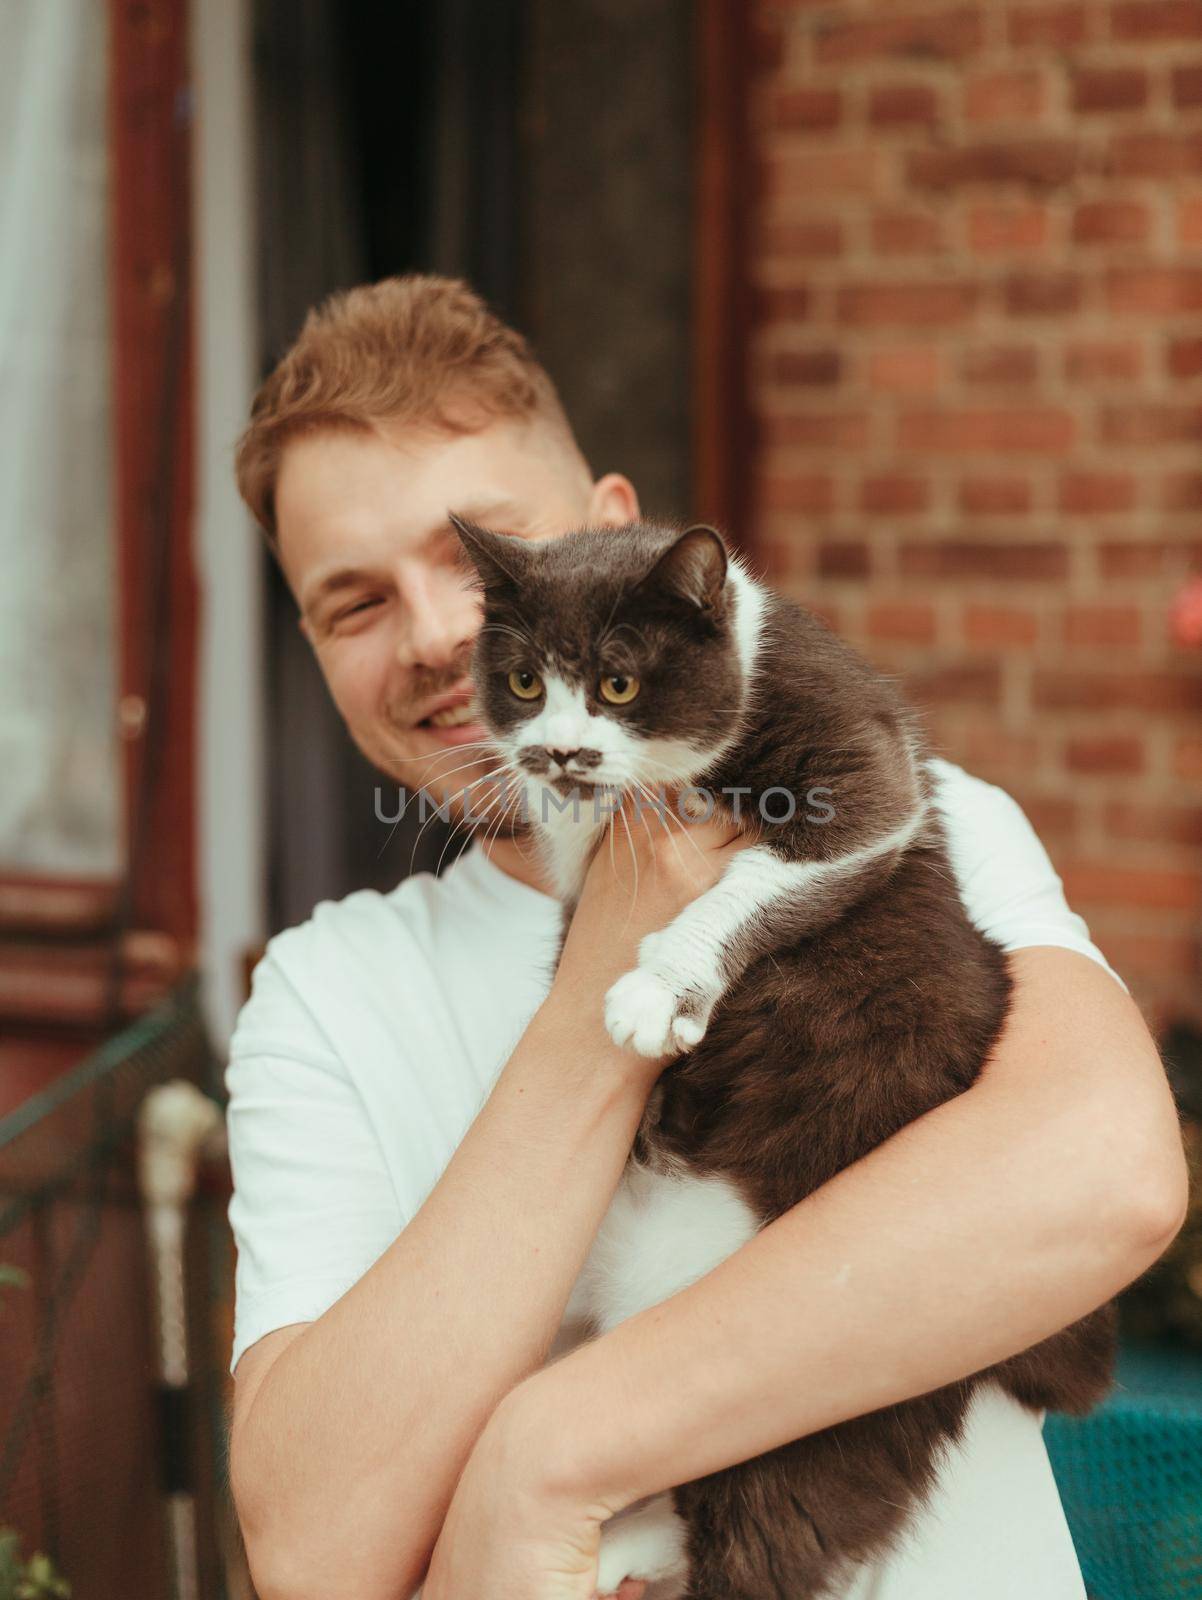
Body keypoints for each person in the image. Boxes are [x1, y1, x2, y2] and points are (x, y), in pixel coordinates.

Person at [225, 275, 1186, 1600]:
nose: (445, 634)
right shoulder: (327, 992)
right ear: (310, 647)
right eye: (353, 602)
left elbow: (1109, 1178)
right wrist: (600, 991)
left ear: (624, 534)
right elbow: (317, 1555)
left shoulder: (911, 814)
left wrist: (548, 1455)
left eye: (477, 558)